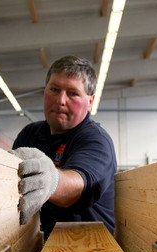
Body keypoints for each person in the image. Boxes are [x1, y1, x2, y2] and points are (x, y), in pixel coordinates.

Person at [10, 55, 117, 240]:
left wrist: (52, 180)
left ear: (90, 102)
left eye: (73, 93)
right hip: (38, 244)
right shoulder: (29, 135)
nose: (60, 100)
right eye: (54, 89)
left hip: (90, 248)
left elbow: (79, 186)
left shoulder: (96, 141)